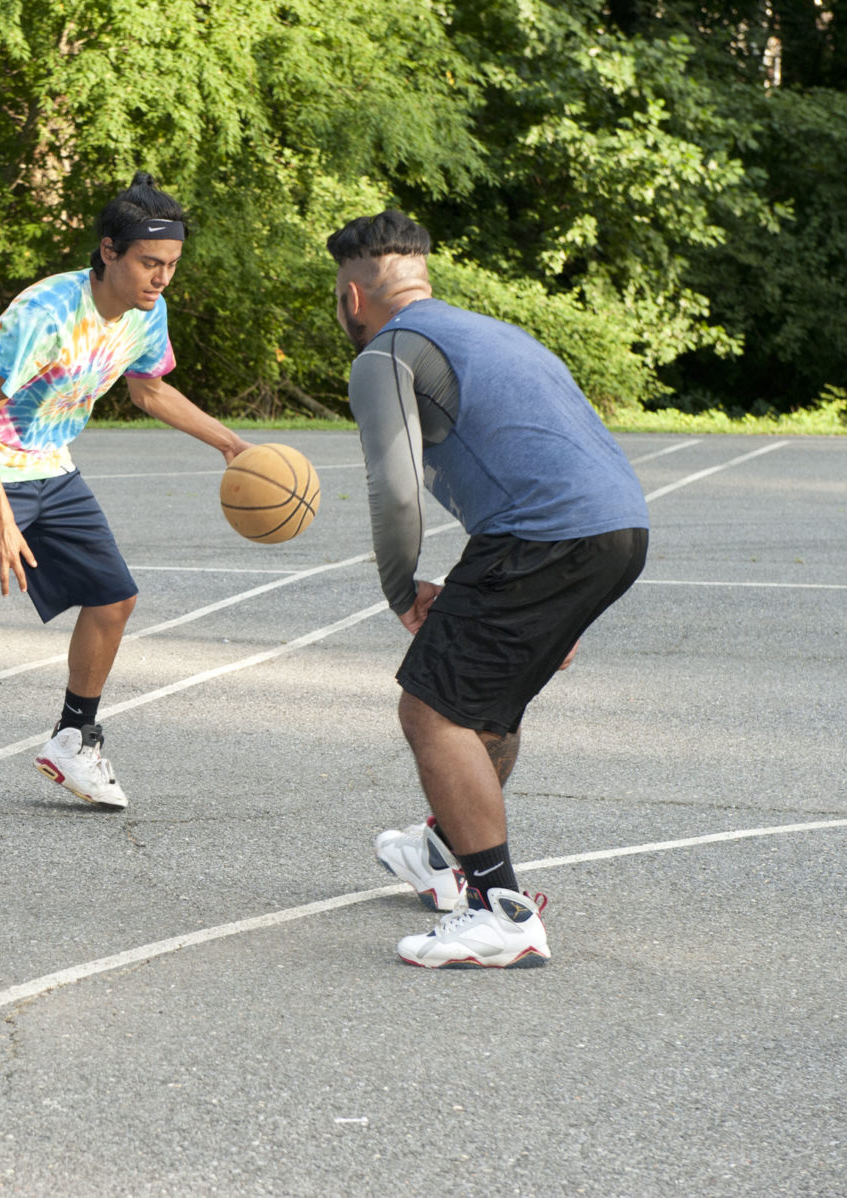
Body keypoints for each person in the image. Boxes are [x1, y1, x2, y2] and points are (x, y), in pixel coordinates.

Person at [0, 173, 252, 827]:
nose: (162, 279)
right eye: (150, 264)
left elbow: (149, 390)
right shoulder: (44, 314)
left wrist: (230, 444)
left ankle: (74, 738)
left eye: (171, 265)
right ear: (108, 252)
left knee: (113, 598)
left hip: (50, 465)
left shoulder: (145, 313)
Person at [328, 209, 650, 968]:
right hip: (617, 527)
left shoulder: (386, 352)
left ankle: (498, 911)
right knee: (480, 707)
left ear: (351, 297)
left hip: (545, 535)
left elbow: (394, 489)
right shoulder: (494, 333)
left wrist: (401, 589)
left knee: (432, 708)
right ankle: (442, 851)